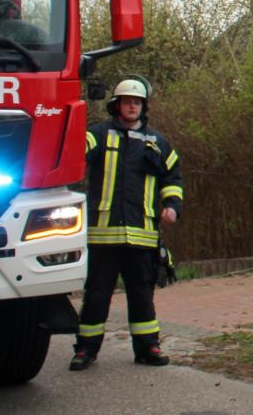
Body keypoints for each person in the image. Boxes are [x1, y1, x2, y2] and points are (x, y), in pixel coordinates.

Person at [69, 77, 183, 371]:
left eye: (137, 102)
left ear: (143, 106)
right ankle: (86, 349)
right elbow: (75, 150)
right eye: (127, 102)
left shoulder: (158, 142)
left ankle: (148, 348)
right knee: (97, 295)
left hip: (142, 235)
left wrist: (172, 206)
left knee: (142, 295)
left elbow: (173, 178)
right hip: (103, 236)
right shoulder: (97, 134)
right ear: (116, 105)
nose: (132, 106)